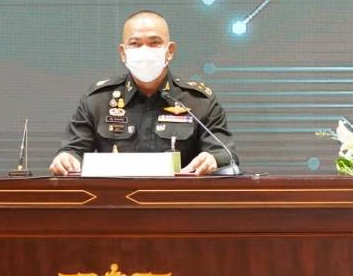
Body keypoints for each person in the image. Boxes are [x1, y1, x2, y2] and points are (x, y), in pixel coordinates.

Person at [49, 10, 238, 176]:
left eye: (154, 43)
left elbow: (225, 153)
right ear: (123, 53)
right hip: (115, 201)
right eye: (135, 43)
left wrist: (213, 158)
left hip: (178, 201)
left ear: (170, 51)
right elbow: (73, 150)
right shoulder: (98, 100)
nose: (145, 50)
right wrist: (67, 158)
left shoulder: (198, 101)